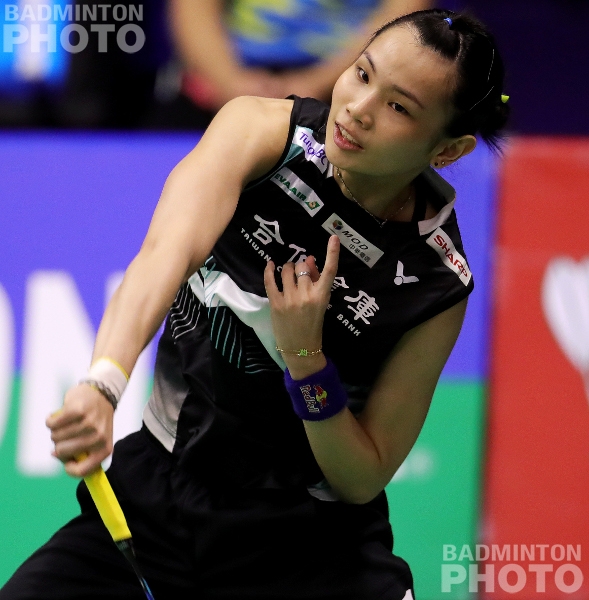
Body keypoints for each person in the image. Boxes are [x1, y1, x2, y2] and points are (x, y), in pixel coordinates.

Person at [0, 8, 509, 600]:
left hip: (305, 545)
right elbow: (166, 253)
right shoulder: (263, 133)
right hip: (160, 495)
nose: (357, 109)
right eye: (362, 74)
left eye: (398, 107)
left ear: (447, 149)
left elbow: (363, 476)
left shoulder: (435, 282)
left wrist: (307, 363)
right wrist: (104, 383)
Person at [148, 0, 432, 128]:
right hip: (229, 79)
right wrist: (230, 83)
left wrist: (318, 84)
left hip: (350, 79)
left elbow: (405, 14)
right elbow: (194, 9)